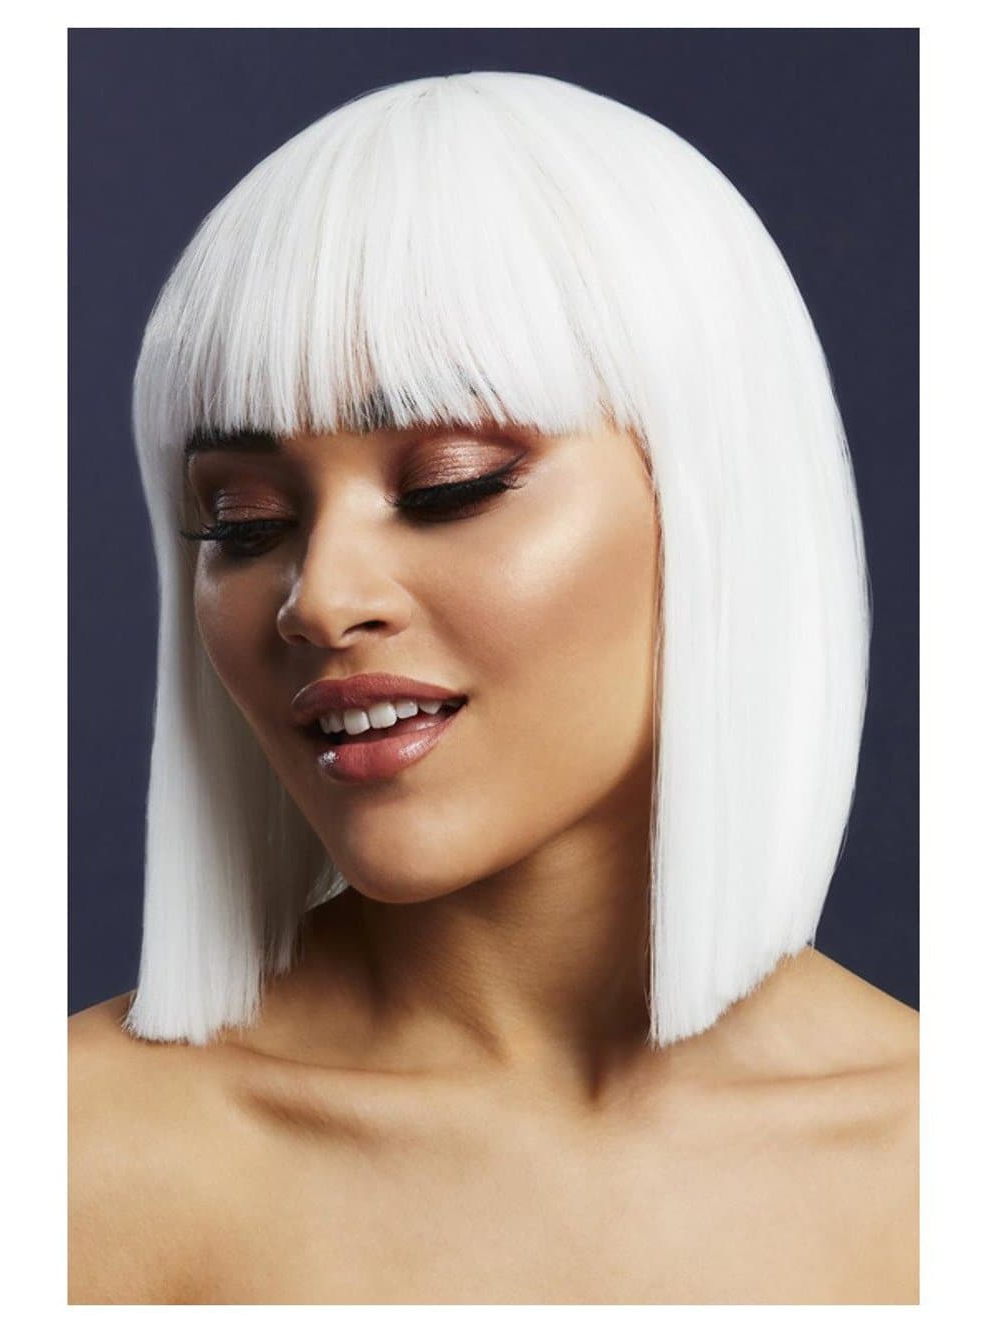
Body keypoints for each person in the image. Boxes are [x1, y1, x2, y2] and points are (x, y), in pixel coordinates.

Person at [68, 70, 918, 1304]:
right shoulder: (67, 1160)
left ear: (713, 504)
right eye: (240, 520)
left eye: (449, 486)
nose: (318, 597)